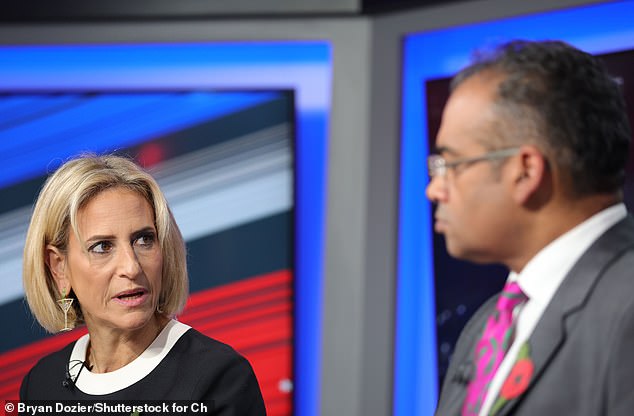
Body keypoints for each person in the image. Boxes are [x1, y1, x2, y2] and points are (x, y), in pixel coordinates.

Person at [429, 40, 634, 416]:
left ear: (525, 171)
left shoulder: (626, 310)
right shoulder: (486, 325)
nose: (434, 189)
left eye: (451, 164)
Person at [20, 154, 266, 415]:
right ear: (59, 267)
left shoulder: (218, 379)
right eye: (102, 247)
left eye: (144, 240)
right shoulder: (40, 385)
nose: (132, 267)